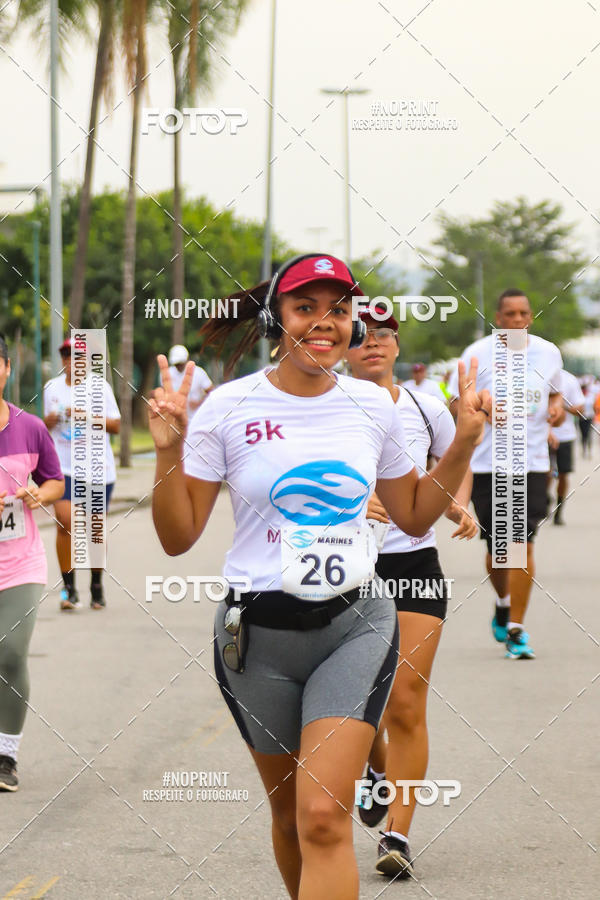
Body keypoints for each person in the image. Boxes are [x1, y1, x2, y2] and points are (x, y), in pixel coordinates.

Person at [149, 253, 490, 900]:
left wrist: (465, 444)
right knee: (288, 817)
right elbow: (176, 537)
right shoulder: (228, 407)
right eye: (305, 308)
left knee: (323, 817)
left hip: (355, 626)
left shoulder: (372, 405)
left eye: (338, 310)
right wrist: (168, 451)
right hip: (256, 638)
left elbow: (415, 514)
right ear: (275, 318)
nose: (323, 323)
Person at [346, 305, 477, 877]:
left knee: (405, 699)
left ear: (398, 347)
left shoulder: (424, 406)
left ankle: (396, 835)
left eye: (385, 335)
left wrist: (458, 503)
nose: (374, 344)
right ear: (343, 346)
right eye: (362, 337)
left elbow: (455, 460)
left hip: (413, 565)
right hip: (345, 568)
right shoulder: (327, 406)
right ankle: (374, 767)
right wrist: (351, 505)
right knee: (358, 702)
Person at [449, 289, 564, 660]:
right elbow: (454, 403)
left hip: (531, 463)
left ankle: (516, 629)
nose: (517, 320)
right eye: (510, 314)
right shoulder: (476, 354)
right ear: (498, 318)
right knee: (499, 550)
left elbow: (555, 394)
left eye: (523, 314)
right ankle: (502, 602)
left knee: (522, 543)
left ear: (530, 317)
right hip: (487, 464)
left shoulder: (548, 353)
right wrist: (480, 406)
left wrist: (557, 408)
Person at [0, 334, 64, 791]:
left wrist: (39, 493)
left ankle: (6, 755)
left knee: (9, 652)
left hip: (20, 563)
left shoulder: (31, 427)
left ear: (6, 368)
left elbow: (55, 481)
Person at [43, 338, 121, 610]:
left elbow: (116, 426)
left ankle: (96, 585)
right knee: (65, 522)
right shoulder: (51, 388)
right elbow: (45, 426)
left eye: (76, 356)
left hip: (97, 469)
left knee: (94, 528)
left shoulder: (100, 388)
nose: (70, 360)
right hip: (63, 468)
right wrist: (48, 421)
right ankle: (69, 589)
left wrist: (86, 416)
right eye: (65, 355)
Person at [548, 369, 584, 525]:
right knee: (545, 472)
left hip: (565, 436)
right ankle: (544, 498)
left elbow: (581, 409)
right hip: (542, 436)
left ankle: (559, 510)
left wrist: (562, 407)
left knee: (563, 474)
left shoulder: (569, 380)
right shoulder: (539, 376)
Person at [165, 345, 213, 418]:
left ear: (186, 359)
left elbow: (211, 392)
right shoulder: (168, 373)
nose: (178, 366)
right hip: (176, 418)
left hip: (196, 417)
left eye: (180, 363)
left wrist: (199, 403)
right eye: (176, 364)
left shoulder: (199, 372)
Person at [578, 382, 595, 458]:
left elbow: (594, 407)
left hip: (589, 417)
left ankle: (589, 450)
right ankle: (584, 450)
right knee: (583, 435)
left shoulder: (590, 397)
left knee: (589, 434)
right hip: (582, 418)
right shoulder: (579, 397)